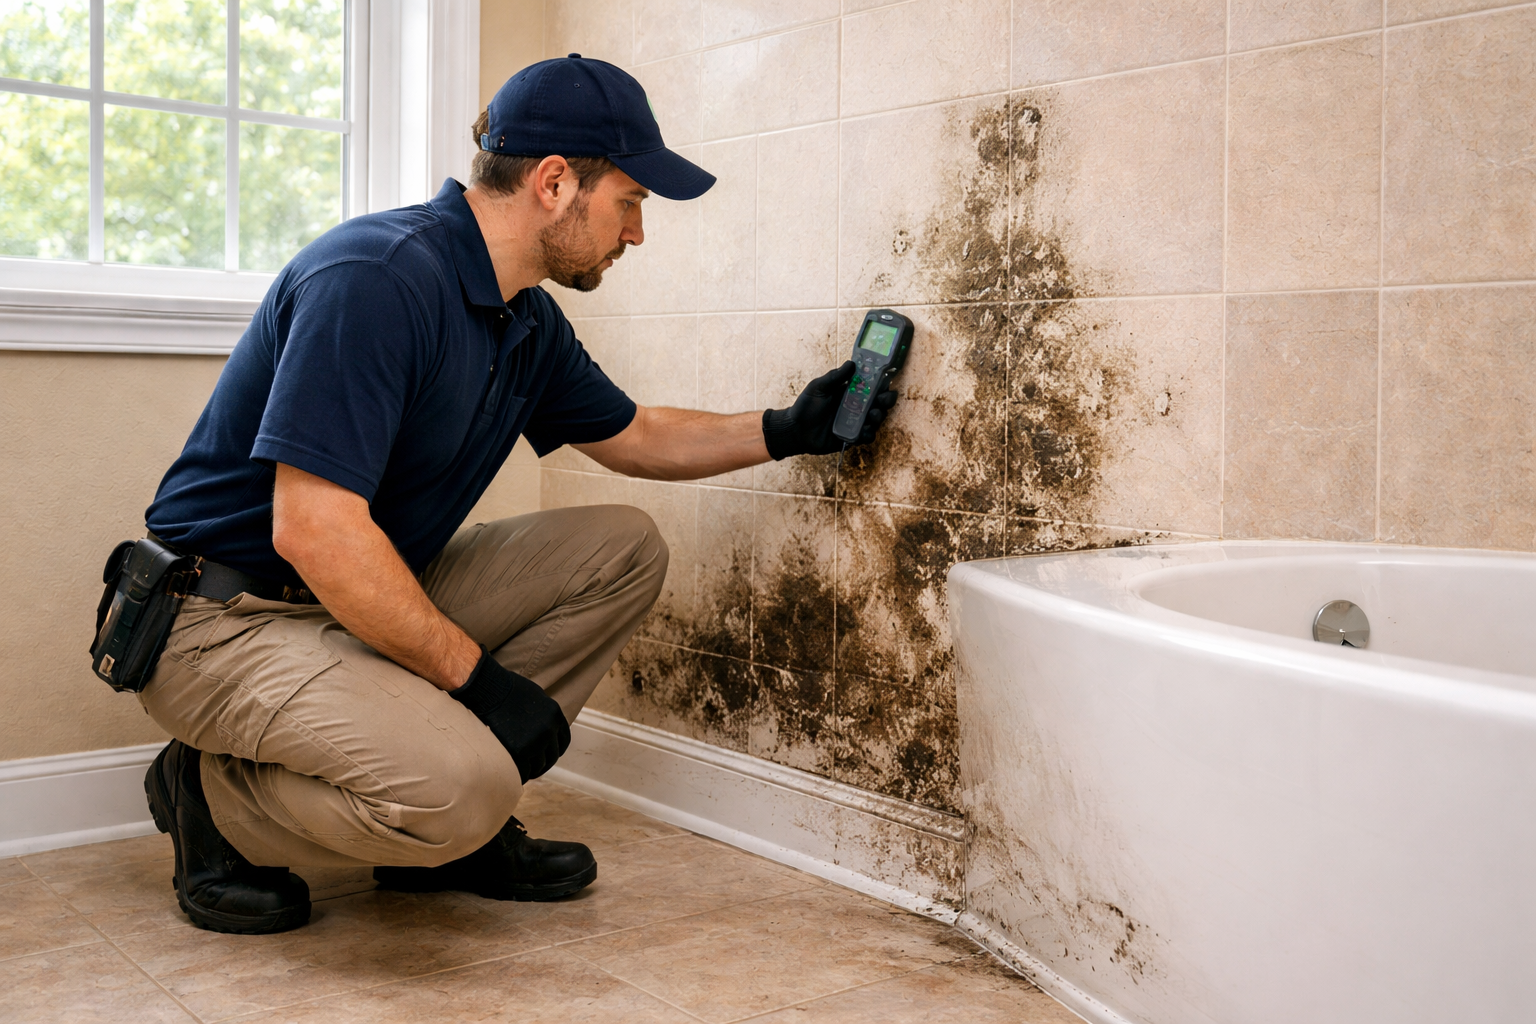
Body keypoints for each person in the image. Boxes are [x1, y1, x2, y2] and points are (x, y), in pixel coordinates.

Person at [134, 55, 899, 935]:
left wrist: (786, 428)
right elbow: (315, 530)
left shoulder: (523, 319)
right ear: (553, 183)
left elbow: (637, 436)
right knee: (465, 789)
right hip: (224, 620)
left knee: (620, 546)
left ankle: (440, 824)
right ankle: (207, 791)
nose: (637, 234)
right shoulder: (375, 280)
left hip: (347, 604)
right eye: (631, 202)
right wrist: (478, 683)